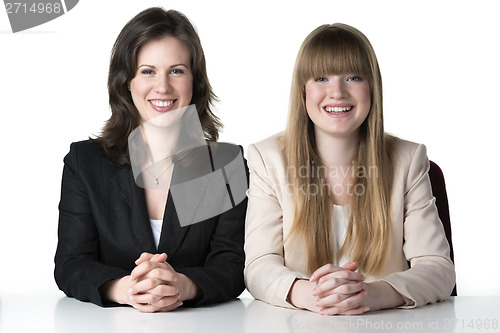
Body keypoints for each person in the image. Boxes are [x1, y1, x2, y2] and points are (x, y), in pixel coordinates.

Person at [244, 23, 456, 315]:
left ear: (372, 87)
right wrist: (314, 295)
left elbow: (438, 269)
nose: (337, 93)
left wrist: (370, 294)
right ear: (303, 90)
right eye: (321, 78)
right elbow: (258, 265)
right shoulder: (268, 158)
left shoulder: (408, 159)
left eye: (353, 77)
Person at [54, 7, 247, 313]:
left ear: (194, 82)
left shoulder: (223, 164)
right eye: (148, 71)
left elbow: (232, 263)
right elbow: (71, 262)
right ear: (126, 82)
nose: (163, 87)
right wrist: (126, 289)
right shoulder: (85, 162)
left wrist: (184, 285)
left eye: (177, 70)